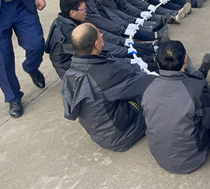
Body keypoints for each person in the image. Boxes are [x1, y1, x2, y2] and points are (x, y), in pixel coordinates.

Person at [61, 23, 156, 152]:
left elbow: (116, 64)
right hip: (121, 136)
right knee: (155, 94)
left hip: (101, 132)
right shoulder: (104, 75)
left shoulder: (74, 68)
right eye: (98, 33)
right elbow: (144, 83)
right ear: (96, 44)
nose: (102, 34)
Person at [141, 40, 210, 174]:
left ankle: (205, 71)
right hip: (192, 157)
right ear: (185, 60)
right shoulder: (195, 88)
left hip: (160, 156)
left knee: (196, 96)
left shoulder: (149, 86)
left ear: (158, 64)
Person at [45, 0, 157, 78]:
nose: (85, 11)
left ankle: (153, 53)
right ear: (72, 12)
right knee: (121, 69)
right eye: (83, 9)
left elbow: (101, 35)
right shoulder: (69, 33)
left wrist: (122, 42)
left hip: (83, 59)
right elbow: (100, 49)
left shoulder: (71, 20)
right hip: (71, 69)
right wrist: (126, 56)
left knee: (125, 53)